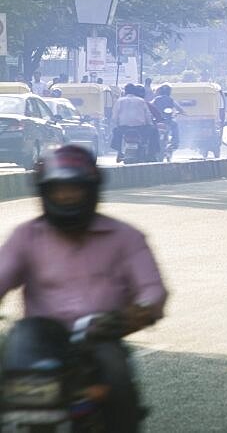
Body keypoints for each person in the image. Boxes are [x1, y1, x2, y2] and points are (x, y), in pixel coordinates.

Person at [0, 146, 168, 431]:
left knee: (115, 370)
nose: (66, 197)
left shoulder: (126, 237)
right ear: (44, 193)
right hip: (39, 339)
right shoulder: (26, 237)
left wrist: (133, 315)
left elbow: (153, 290)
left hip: (100, 338)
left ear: (91, 191)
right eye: (58, 190)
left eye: (74, 189)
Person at [110, 83, 156, 158]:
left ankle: (119, 151)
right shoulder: (141, 101)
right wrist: (150, 124)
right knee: (154, 132)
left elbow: (115, 116)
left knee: (115, 131)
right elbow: (147, 115)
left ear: (125, 91)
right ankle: (152, 154)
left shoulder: (119, 101)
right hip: (140, 128)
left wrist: (116, 124)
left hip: (123, 128)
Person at [151, 84, 185, 149]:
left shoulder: (156, 99)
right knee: (175, 126)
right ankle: (174, 143)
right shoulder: (170, 99)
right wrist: (181, 112)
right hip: (168, 120)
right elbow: (179, 108)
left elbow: (150, 106)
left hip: (157, 120)